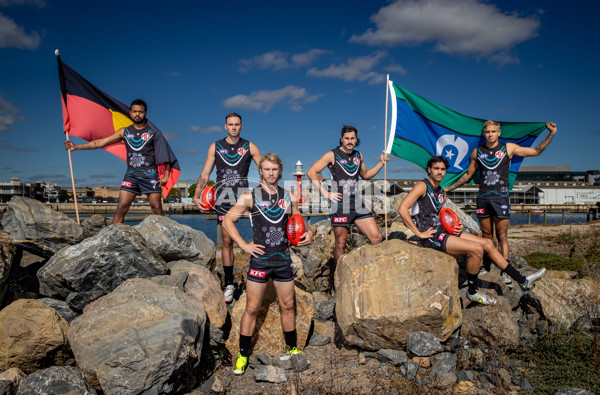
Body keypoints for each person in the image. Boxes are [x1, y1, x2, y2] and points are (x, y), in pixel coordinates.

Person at [398, 156, 546, 305]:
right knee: (476, 250)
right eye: (436, 168)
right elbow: (402, 208)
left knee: (487, 243)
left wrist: (456, 226)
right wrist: (418, 233)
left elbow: (443, 216)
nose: (440, 172)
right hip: (431, 235)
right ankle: (473, 291)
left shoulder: (442, 191)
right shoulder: (422, 186)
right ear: (429, 170)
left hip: (443, 230)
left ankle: (523, 280)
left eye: (443, 169)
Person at [222, 153, 313, 375]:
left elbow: (299, 223)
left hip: (282, 260)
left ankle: (292, 349)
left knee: (288, 306)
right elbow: (227, 220)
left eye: (274, 170)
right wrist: (243, 245)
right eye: (266, 169)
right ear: (260, 171)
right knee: (251, 308)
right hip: (259, 261)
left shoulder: (288, 197)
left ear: (279, 171)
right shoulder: (249, 196)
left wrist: (309, 233)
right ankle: (243, 354)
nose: (270, 173)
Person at [445, 121, 557, 280]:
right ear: (484, 134)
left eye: (493, 131)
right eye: (487, 132)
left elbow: (536, 152)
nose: (490, 134)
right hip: (483, 198)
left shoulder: (508, 148)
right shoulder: (477, 152)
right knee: (486, 235)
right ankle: (486, 266)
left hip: (501, 197)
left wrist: (551, 134)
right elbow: (467, 175)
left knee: (502, 236)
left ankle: (506, 272)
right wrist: (448, 188)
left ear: (499, 133)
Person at [64, 99, 173, 224]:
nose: (137, 114)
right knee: (121, 209)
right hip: (131, 176)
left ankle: (167, 237)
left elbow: (165, 153)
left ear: (146, 113)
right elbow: (101, 142)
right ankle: (113, 238)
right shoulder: (124, 132)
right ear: (130, 113)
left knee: (157, 209)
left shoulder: (153, 132)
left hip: (150, 175)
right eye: (135, 111)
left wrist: (166, 175)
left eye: (140, 112)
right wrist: (76, 147)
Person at [193, 113, 261, 303]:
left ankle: (261, 276)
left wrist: (262, 193)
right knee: (226, 240)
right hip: (223, 197)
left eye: (237, 124)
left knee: (262, 234)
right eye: (230, 124)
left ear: (241, 126)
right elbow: (205, 173)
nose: (233, 127)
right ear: (225, 126)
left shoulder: (250, 146)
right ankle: (229, 283)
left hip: (243, 197)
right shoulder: (216, 146)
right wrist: (197, 194)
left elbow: (264, 169)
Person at [307, 125, 388, 265]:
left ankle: (370, 272)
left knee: (376, 238)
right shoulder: (331, 155)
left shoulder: (359, 155)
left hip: (356, 203)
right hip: (339, 205)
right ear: (341, 140)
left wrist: (381, 163)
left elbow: (366, 175)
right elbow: (311, 172)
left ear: (356, 140)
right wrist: (326, 193)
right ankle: (339, 279)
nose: (350, 141)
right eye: (347, 138)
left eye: (352, 138)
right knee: (340, 243)